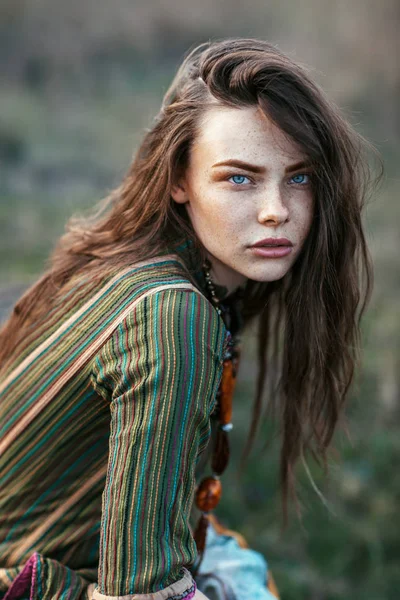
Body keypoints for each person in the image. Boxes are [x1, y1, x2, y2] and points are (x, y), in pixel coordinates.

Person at [0, 38, 380, 600]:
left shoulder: (159, 265)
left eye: (298, 177)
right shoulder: (171, 313)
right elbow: (141, 588)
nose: (276, 209)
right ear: (179, 179)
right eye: (239, 179)